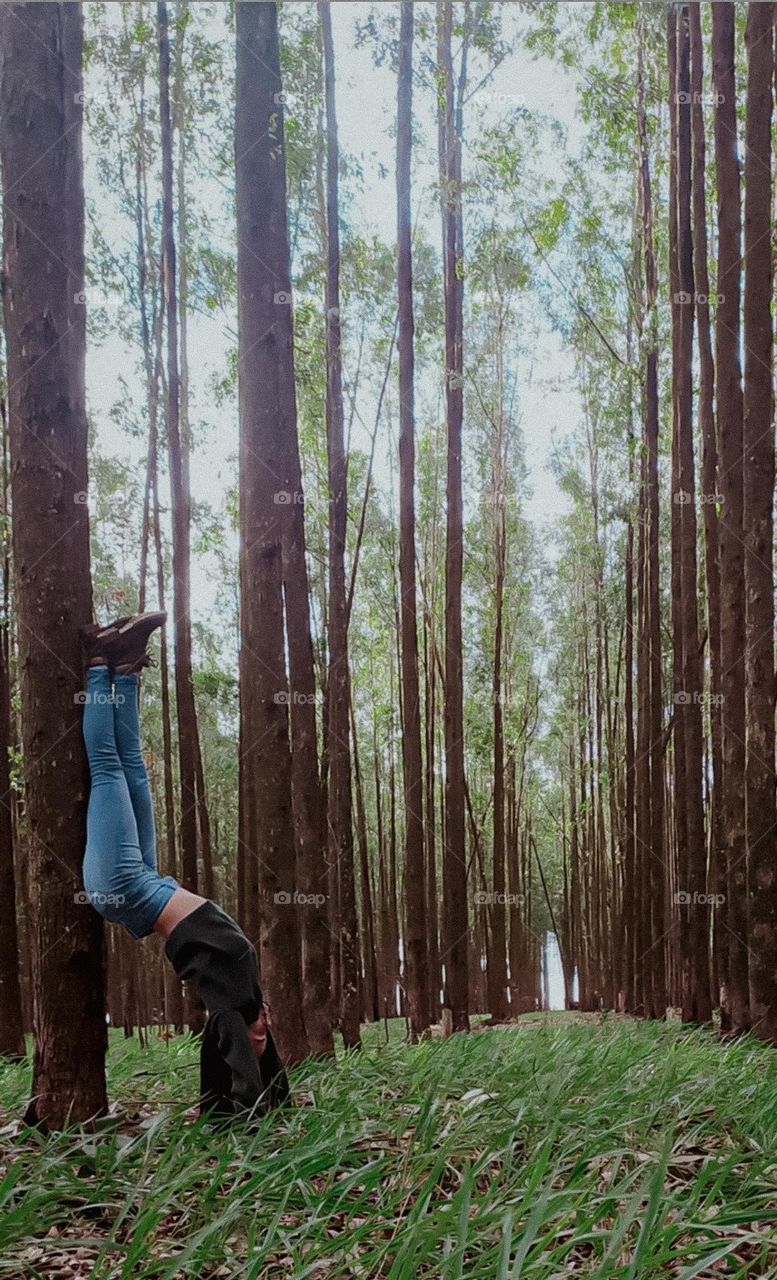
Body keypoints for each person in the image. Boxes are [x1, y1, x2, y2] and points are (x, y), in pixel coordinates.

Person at [79, 611, 289, 1120]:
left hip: (124, 887)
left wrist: (248, 1102)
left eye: (260, 1049)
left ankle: (98, 666)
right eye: (266, 1047)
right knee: (135, 771)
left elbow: (239, 1070)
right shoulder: (249, 1001)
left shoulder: (230, 1020)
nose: (263, 1039)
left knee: (108, 769)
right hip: (147, 883)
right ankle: (126, 666)